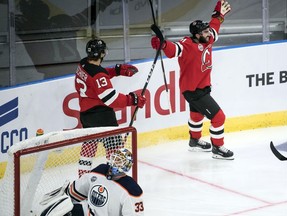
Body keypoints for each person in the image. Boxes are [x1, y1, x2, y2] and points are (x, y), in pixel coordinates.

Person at [151, 0, 234, 160]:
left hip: (202, 87)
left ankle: (194, 141)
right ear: (196, 35)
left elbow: (215, 26)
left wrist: (218, 15)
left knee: (197, 115)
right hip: (193, 90)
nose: (208, 33)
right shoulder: (186, 44)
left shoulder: (208, 39)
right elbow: (173, 49)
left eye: (207, 31)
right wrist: (162, 44)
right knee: (218, 117)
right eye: (204, 32)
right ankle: (217, 148)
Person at [75, 38, 146, 177]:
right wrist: (133, 99)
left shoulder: (82, 64)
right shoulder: (98, 75)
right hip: (102, 116)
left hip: (86, 115)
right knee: (114, 146)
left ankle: (82, 177)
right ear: (102, 54)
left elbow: (97, 76)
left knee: (90, 145)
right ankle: (113, 176)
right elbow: (111, 99)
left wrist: (116, 70)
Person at [39, 148, 144, 216]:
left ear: (126, 166)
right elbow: (75, 192)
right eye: (114, 159)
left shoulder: (132, 190)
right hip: (88, 213)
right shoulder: (100, 171)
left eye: (119, 162)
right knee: (60, 211)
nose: (114, 164)